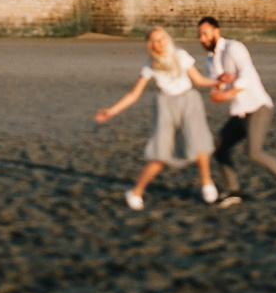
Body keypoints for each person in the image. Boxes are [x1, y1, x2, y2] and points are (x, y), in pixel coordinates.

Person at [94, 27, 220, 211]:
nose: (158, 44)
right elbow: (134, 94)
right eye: (154, 41)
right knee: (160, 152)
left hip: (189, 100)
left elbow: (199, 80)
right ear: (149, 45)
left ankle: (207, 183)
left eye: (161, 39)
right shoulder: (150, 65)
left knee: (198, 142)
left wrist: (218, 81)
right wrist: (112, 111)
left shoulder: (180, 55)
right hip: (165, 105)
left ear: (167, 40)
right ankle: (136, 192)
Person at [198, 16, 276, 206]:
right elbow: (216, 93)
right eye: (199, 35)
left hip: (258, 106)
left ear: (217, 31)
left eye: (205, 34)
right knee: (219, 148)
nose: (201, 39)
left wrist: (227, 91)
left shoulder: (234, 48)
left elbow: (247, 75)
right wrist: (220, 86)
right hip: (239, 112)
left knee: (254, 152)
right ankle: (234, 191)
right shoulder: (210, 61)